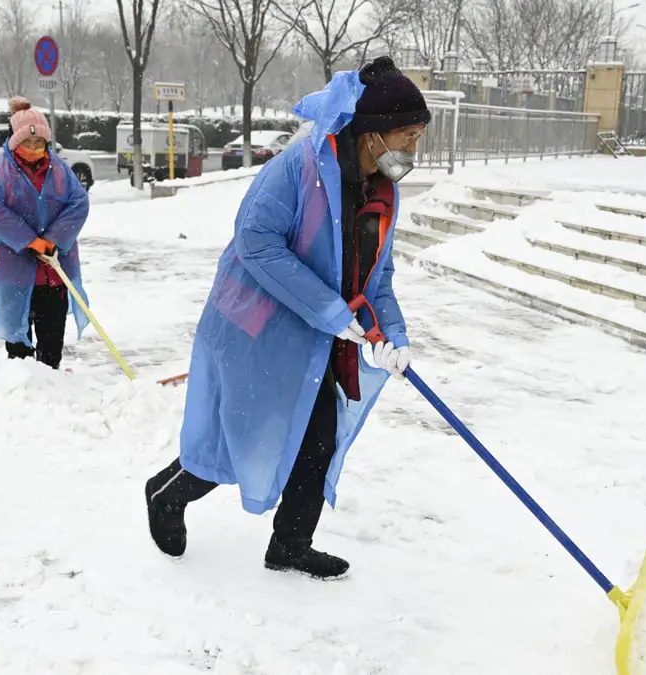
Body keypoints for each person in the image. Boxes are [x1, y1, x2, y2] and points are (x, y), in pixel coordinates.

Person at [144, 56, 429, 580]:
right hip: (256, 329)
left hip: (318, 336)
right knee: (242, 436)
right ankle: (165, 494)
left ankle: (291, 545)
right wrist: (329, 310)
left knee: (317, 436)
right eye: (406, 136)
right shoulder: (298, 169)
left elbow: (378, 277)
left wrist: (394, 335)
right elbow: (255, 242)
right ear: (372, 135)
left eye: (417, 137)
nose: (412, 150)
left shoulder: (382, 191)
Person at [0, 96, 90, 370]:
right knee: (18, 343)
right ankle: (23, 388)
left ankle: (50, 384)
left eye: (39, 142)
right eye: (28, 142)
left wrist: (51, 240)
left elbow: (79, 203)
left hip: (54, 270)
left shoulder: (60, 170)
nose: (34, 147)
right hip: (12, 270)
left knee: (52, 340)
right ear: (15, 141)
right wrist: (29, 241)